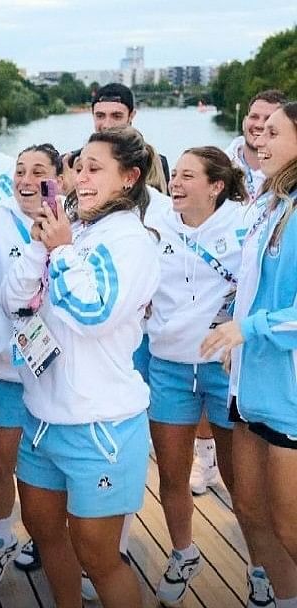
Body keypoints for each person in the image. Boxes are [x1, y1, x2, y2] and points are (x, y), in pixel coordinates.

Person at [5, 126, 160, 608]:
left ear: (129, 178)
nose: (81, 177)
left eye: (95, 168)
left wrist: (62, 250)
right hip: (41, 418)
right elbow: (15, 300)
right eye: (80, 167)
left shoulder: (132, 241)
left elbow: (94, 315)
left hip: (101, 424)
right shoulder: (74, 228)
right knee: (46, 534)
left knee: (98, 555)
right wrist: (40, 246)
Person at [144, 146, 249, 606]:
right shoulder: (155, 220)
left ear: (216, 185)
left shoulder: (245, 223)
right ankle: (183, 552)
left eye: (189, 176)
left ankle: (260, 566)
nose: (177, 183)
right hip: (168, 365)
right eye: (175, 175)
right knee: (171, 472)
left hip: (224, 368)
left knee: (239, 477)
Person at [203, 101, 297, 608]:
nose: (261, 137)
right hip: (249, 386)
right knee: (252, 509)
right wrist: (231, 339)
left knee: (290, 524)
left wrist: (248, 329)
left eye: (275, 131)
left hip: (289, 395)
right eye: (260, 130)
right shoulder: (271, 202)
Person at [0, 144, 67, 590]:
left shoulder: (73, 224)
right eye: (20, 171)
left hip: (55, 371)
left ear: (58, 178)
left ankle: (46, 537)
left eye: (39, 172)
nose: (27, 180)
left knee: (52, 466)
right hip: (3, 367)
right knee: (0, 464)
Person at [90, 83, 170, 187]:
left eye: (116, 116)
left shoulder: (154, 162)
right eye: (100, 116)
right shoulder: (75, 162)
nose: (107, 125)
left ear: (131, 116)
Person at [225, 90, 287, 201]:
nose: (259, 125)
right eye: (254, 117)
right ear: (244, 122)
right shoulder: (218, 167)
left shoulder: (291, 175)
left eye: (269, 119)